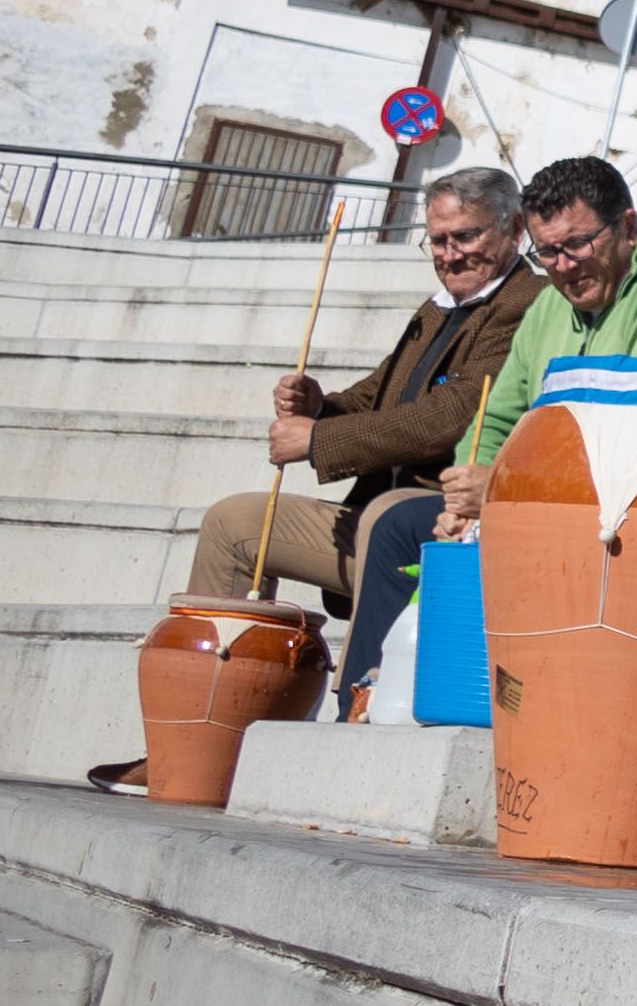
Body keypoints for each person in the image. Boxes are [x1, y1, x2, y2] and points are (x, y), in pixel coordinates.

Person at [184, 163, 530, 707]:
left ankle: (357, 708)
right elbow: (379, 393)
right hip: (373, 514)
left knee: (390, 514)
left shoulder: (523, 304)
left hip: (442, 514)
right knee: (234, 522)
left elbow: (453, 417)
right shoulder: (441, 308)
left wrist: (318, 442)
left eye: (465, 236)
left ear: (514, 230)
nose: (449, 254)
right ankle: (204, 726)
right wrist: (321, 408)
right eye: (437, 241)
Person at [433, 158, 637, 530]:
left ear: (627, 227)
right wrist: (464, 506)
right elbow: (496, 418)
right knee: (397, 524)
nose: (563, 266)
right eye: (547, 252)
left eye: (578, 244)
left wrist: (503, 487)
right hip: (543, 505)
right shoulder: (548, 304)